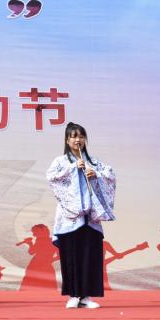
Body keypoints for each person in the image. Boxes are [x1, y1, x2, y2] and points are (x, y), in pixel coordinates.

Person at [46, 122, 116, 309]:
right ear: (67, 140)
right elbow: (51, 178)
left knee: (89, 256)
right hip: (70, 217)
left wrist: (97, 174)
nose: (78, 140)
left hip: (90, 217)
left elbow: (110, 175)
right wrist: (72, 168)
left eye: (81, 136)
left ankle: (86, 297)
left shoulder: (93, 161)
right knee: (71, 256)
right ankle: (73, 295)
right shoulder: (60, 161)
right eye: (74, 136)